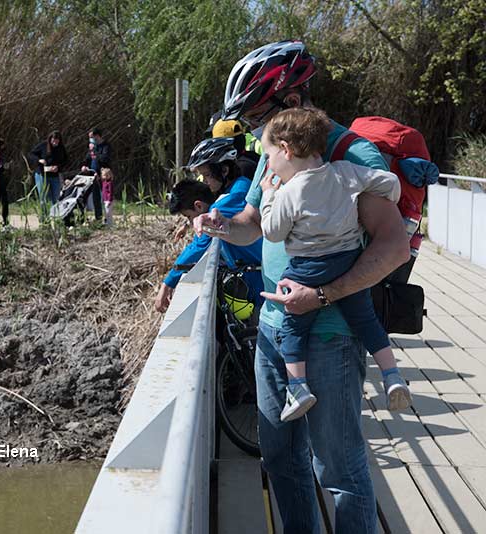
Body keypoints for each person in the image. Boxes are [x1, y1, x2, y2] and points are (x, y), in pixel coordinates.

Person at [195, 40, 410, 534]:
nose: (252, 134)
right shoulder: (277, 155)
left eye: (255, 119)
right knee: (281, 461)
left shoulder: (351, 153)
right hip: (272, 329)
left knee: (337, 470)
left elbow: (394, 245)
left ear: (290, 104)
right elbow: (253, 221)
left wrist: (325, 295)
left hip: (331, 334)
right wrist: (219, 225)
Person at [258, 107, 411, 422]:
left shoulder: (290, 191)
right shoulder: (344, 172)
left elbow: (272, 231)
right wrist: (389, 196)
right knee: (366, 321)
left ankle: (298, 388)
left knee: (293, 325)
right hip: (346, 262)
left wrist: (268, 196)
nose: (269, 163)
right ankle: (392, 375)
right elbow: (388, 183)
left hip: (307, 270)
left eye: (269, 155)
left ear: (286, 150)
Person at [155, 137, 263, 313]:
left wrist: (167, 283)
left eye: (206, 175)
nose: (203, 181)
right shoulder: (240, 185)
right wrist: (188, 224)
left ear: (224, 170)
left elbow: (200, 243)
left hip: (258, 283)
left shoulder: (231, 199)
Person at [29, 130, 68, 217]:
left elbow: (65, 160)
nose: (55, 143)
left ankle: (56, 217)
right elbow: (31, 154)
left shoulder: (61, 148)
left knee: (56, 197)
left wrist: (58, 167)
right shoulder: (43, 146)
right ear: (50, 139)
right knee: (44, 198)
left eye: (57, 141)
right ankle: (44, 219)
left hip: (55, 176)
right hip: (42, 175)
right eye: (54, 141)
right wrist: (39, 160)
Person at [80, 127, 112, 223]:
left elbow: (104, 159)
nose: (91, 139)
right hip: (93, 175)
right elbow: (87, 158)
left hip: (103, 175)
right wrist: (84, 165)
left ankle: (108, 219)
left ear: (97, 136)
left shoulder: (105, 146)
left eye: (92, 137)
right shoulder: (92, 147)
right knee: (95, 197)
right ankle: (98, 218)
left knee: (106, 198)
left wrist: (96, 151)